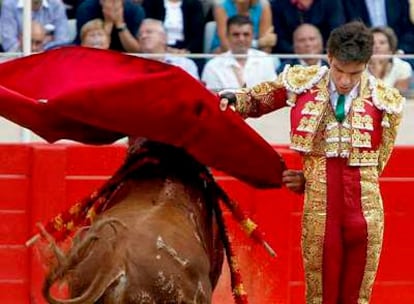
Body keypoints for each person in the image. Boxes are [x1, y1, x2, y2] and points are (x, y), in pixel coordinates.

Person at [219, 21, 404, 303]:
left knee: (358, 295)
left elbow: (379, 163)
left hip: (366, 212)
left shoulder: (385, 100)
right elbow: (260, 99)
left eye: (354, 73)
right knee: (320, 292)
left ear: (366, 64)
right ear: (329, 58)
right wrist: (234, 99)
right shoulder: (304, 82)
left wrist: (312, 176)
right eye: (339, 70)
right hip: (322, 207)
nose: (344, 80)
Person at [202, 15, 277, 91]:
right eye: (236, 34)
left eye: (246, 34)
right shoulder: (212, 66)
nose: (241, 39)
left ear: (252, 36)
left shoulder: (266, 60)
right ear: (227, 36)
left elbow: (272, 94)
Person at [342, 0, 414, 55]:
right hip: (360, 54)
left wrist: (400, 51)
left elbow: (408, 30)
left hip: (396, 53)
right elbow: (344, 30)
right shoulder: (348, 2)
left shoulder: (399, 1)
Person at [271, 0, 345, 54]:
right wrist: (299, 52)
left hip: (325, 54)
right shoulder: (278, 5)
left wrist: (322, 51)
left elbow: (337, 33)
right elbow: (278, 38)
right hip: (290, 56)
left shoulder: (331, 2)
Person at [0, 0, 71, 52]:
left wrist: (41, 48)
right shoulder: (9, 4)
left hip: (48, 60)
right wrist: (43, 42)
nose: (34, 48)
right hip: (19, 61)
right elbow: (10, 45)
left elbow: (62, 43)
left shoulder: (56, 5)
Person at [75, 0, 144, 52]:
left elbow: (136, 50)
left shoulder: (135, 11)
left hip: (125, 56)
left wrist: (120, 24)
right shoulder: (86, 9)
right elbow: (90, 46)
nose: (112, 4)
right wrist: (109, 23)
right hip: (93, 55)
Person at [210, 0, 276, 53]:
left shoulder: (263, 6)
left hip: (256, 54)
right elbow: (226, 46)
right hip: (224, 53)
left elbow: (267, 46)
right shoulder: (221, 6)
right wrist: (257, 43)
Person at [368, 26, 413, 93]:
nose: (377, 46)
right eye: (372, 43)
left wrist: (377, 75)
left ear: (391, 48)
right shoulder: (360, 68)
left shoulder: (403, 67)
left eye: (382, 43)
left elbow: (397, 98)